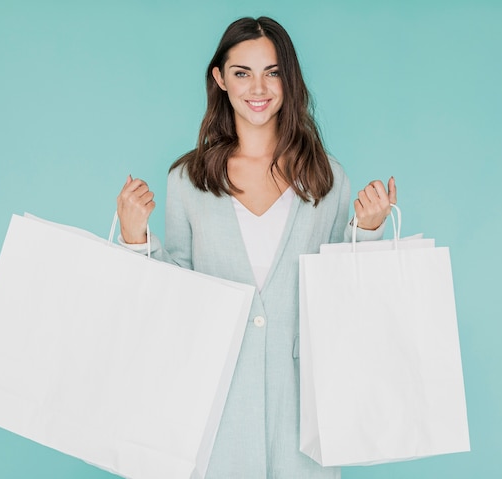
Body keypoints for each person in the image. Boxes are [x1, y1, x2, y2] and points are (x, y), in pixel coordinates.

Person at [117, 16, 396, 479]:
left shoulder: (328, 178)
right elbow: (176, 293)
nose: (257, 87)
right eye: (242, 72)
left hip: (302, 403)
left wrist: (366, 229)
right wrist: (134, 238)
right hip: (214, 402)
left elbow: (342, 297)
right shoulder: (188, 181)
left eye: (272, 71)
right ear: (220, 79)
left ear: (289, 79)